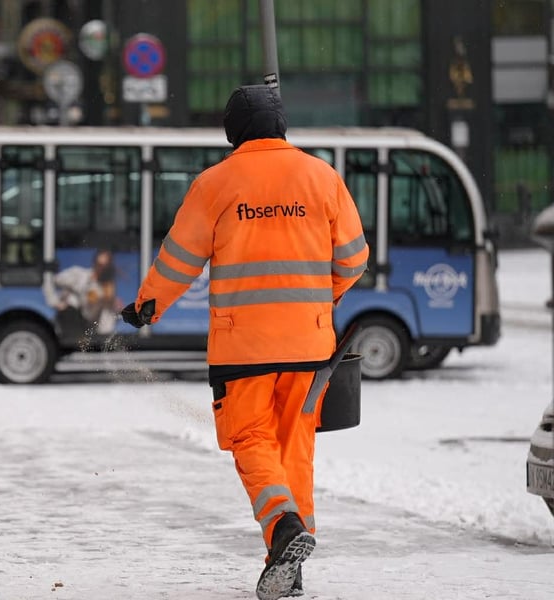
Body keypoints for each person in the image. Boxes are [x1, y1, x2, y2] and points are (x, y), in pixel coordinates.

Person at [121, 85, 368, 600]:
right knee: (293, 451)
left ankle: (283, 528)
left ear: (232, 131)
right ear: (280, 124)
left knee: (251, 442)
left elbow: (179, 258)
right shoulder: (322, 176)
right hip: (309, 346)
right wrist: (321, 301)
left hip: (244, 349)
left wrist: (148, 305)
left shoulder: (216, 183)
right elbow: (353, 257)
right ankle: (290, 567)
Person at [48, 248, 121, 336]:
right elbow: (52, 281)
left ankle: (105, 340)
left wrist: (116, 306)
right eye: (99, 265)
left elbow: (108, 314)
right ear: (94, 262)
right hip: (71, 318)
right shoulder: (78, 275)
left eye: (104, 266)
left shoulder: (107, 288)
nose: (100, 269)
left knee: (109, 309)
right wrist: (55, 302)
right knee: (72, 299)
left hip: (90, 325)